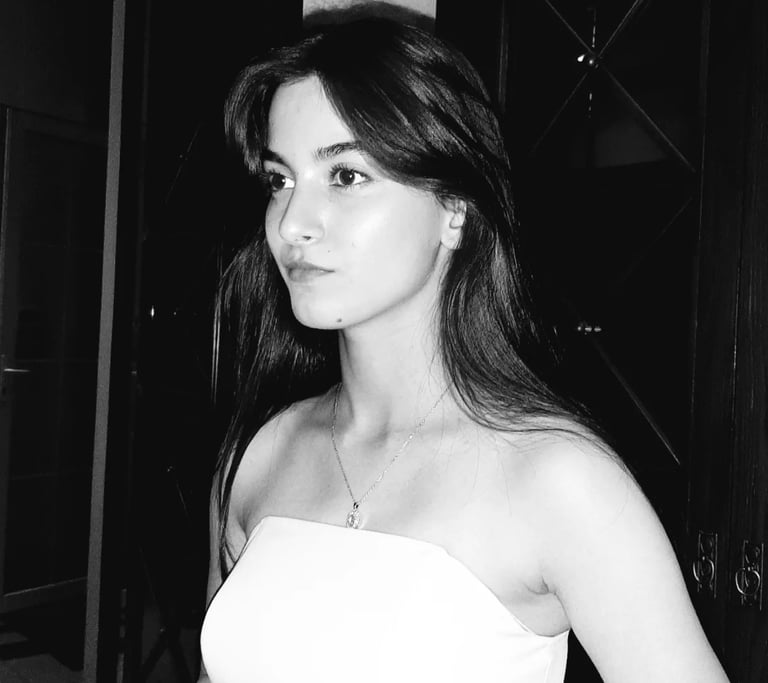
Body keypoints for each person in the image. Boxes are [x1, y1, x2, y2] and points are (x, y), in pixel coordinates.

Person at [198, 11, 729, 683]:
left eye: (346, 176)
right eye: (280, 180)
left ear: (454, 209)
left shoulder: (559, 480)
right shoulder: (258, 456)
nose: (291, 224)